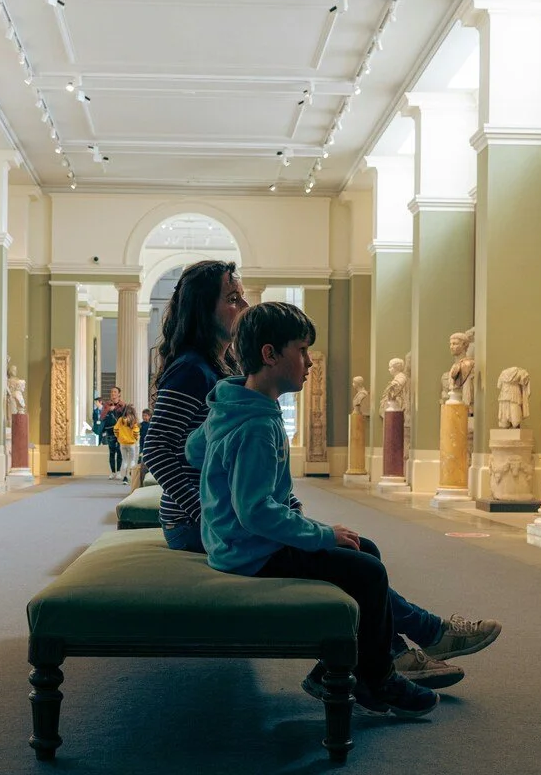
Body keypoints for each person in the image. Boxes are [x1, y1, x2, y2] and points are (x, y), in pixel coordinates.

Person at [140, 260, 501, 693]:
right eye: (232, 299)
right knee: (351, 563)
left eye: (242, 297)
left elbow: (219, 455)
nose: (243, 305)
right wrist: (209, 512)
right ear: (203, 308)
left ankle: (399, 645)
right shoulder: (192, 369)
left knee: (354, 551)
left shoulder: (222, 372)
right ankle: (407, 645)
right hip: (192, 523)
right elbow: (159, 451)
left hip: (223, 516)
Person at [188, 303, 436, 716]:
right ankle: (379, 679)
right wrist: (322, 534)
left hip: (232, 543)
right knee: (369, 571)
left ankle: (333, 670)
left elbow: (193, 450)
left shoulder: (231, 406)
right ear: (270, 355)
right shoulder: (257, 425)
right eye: (302, 351)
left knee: (364, 550)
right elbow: (256, 512)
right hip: (252, 551)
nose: (309, 363)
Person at [101, 386, 126, 478]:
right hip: (110, 430)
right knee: (112, 452)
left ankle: (119, 472)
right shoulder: (107, 404)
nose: (113, 394)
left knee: (119, 451)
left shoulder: (123, 405)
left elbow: (126, 417)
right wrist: (108, 409)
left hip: (121, 431)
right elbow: (102, 417)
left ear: (119, 394)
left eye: (115, 392)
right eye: (112, 392)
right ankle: (113, 472)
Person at [113, 403, 140, 482]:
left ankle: (124, 477)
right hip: (131, 443)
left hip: (122, 443)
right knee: (132, 460)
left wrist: (118, 437)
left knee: (124, 460)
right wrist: (135, 438)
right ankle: (130, 476)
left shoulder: (120, 419)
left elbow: (115, 429)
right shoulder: (133, 420)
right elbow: (136, 432)